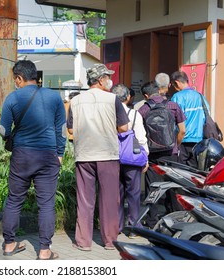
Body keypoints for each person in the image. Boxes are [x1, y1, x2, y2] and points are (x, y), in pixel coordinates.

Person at [0, 60, 66, 260]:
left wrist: (9, 138)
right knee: (46, 203)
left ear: (20, 78)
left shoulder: (12, 98)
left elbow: (3, 130)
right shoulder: (55, 97)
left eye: (15, 80)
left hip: (22, 155)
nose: (15, 83)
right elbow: (61, 129)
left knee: (14, 199)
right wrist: (60, 153)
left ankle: (10, 244)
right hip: (48, 155)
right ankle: (45, 250)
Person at [67, 64, 129, 251]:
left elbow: (70, 130)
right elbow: (124, 128)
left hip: (84, 154)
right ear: (101, 80)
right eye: (107, 77)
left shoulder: (76, 101)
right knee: (110, 199)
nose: (110, 80)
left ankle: (83, 242)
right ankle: (110, 241)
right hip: (107, 155)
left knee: (85, 199)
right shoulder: (113, 99)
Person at [138, 81, 186, 228]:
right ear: (159, 91)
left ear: (146, 95)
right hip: (172, 153)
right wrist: (175, 145)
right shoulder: (173, 106)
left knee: (153, 187)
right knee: (173, 185)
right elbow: (182, 130)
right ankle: (176, 219)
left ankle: (152, 221)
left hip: (152, 155)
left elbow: (139, 133)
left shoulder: (143, 110)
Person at [112, 84, 149, 236]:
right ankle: (134, 226)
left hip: (113, 157)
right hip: (132, 158)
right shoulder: (134, 115)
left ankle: (117, 227)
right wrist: (145, 157)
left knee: (116, 194)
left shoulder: (108, 113)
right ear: (128, 97)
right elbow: (141, 138)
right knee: (134, 193)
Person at [170, 70, 209, 169]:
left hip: (183, 140)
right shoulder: (201, 96)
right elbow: (206, 116)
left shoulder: (177, 97)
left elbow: (172, 119)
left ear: (177, 83)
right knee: (195, 172)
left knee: (180, 171)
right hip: (199, 141)